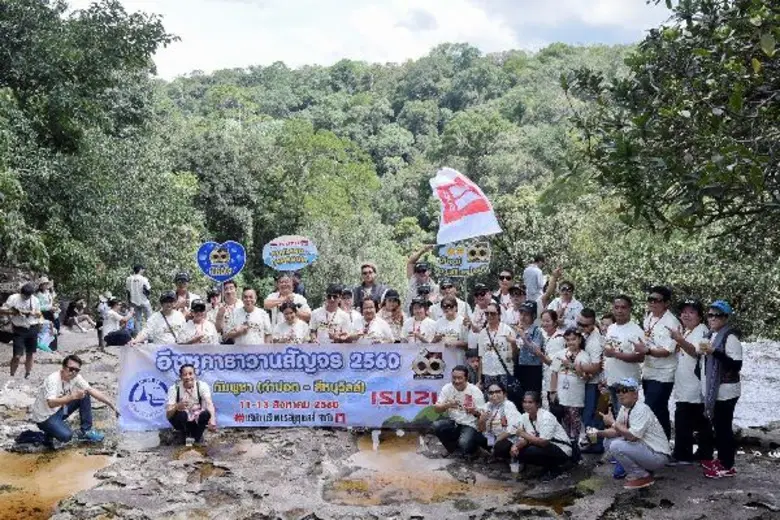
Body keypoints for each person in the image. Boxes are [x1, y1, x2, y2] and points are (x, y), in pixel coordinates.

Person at [595, 377, 671, 489]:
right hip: (646, 449)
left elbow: (632, 437)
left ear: (635, 394)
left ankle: (642, 476)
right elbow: (617, 431)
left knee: (616, 445)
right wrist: (597, 433)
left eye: (625, 390)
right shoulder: (624, 409)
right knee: (608, 441)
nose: (620, 394)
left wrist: (612, 422)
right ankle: (638, 468)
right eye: (618, 391)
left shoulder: (641, 409)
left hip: (657, 455)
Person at [31, 355, 118, 447]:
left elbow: (91, 390)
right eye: (71, 369)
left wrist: (111, 404)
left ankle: (86, 430)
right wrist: (72, 396)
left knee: (85, 394)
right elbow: (51, 403)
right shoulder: (53, 380)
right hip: (45, 418)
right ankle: (50, 432)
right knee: (67, 436)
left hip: (59, 409)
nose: (73, 372)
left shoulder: (76, 377)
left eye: (77, 370)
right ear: (64, 367)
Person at [699, 300, 742, 479]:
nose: (713, 318)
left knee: (723, 428)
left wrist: (714, 352)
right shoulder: (710, 335)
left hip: (726, 391)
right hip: (715, 390)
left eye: (717, 315)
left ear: (725, 317)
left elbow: (736, 365)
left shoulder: (730, 337)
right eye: (710, 315)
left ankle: (727, 465)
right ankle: (723, 459)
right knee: (719, 426)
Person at [667, 299, 713, 465]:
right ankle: (704, 453)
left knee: (683, 420)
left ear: (700, 317)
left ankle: (682, 455)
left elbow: (695, 352)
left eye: (691, 312)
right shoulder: (688, 331)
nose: (686, 315)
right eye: (684, 312)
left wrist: (679, 339)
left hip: (694, 386)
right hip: (685, 385)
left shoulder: (702, 332)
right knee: (700, 422)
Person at [637, 286, 681, 440]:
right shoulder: (648, 317)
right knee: (660, 410)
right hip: (648, 370)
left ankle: (652, 443)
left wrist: (647, 351)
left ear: (666, 303)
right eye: (650, 299)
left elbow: (668, 351)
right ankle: (664, 443)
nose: (653, 303)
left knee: (650, 407)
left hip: (664, 373)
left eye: (657, 300)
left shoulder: (671, 322)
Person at [511, 391, 572, 480]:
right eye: (524, 402)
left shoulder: (546, 417)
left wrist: (523, 434)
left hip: (561, 449)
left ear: (538, 404)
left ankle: (556, 468)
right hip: (544, 447)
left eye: (530, 402)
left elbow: (543, 442)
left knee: (531, 450)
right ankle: (547, 467)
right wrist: (515, 446)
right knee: (519, 452)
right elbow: (526, 438)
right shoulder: (524, 416)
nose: (526, 405)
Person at [602, 295, 645, 414]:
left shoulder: (636, 330)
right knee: (616, 415)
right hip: (611, 380)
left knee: (627, 417)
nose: (619, 311)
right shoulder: (611, 328)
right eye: (616, 307)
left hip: (627, 382)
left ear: (630, 309)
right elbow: (608, 351)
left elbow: (640, 357)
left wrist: (615, 354)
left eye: (623, 307)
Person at [433, 365, 486, 457]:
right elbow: (436, 409)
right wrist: (448, 405)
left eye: (460, 378)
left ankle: (474, 450)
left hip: (470, 424)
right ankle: (452, 449)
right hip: (454, 422)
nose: (456, 381)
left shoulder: (475, 391)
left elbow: (483, 415)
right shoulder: (447, 388)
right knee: (436, 426)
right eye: (454, 378)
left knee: (464, 443)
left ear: (466, 378)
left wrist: (474, 411)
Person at [550, 329, 591, 443]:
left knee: (575, 421)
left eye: (573, 339)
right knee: (564, 422)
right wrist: (553, 392)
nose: (571, 342)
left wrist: (571, 366)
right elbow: (554, 373)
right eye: (568, 340)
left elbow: (586, 377)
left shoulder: (584, 356)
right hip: (561, 395)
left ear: (579, 339)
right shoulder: (560, 354)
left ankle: (576, 446)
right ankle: (566, 444)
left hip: (575, 396)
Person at [577, 308, 606, 454]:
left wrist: (575, 365)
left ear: (593, 323)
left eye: (586, 325)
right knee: (589, 415)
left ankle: (597, 445)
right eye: (579, 324)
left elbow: (595, 367)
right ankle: (594, 443)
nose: (582, 328)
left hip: (595, 384)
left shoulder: (595, 341)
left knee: (592, 416)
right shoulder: (586, 334)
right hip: (588, 382)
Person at [166, 363, 217, 445]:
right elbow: (168, 414)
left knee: (206, 414)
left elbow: (209, 403)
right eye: (185, 375)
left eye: (190, 374)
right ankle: (184, 437)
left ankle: (196, 439)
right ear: (180, 377)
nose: (188, 377)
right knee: (182, 414)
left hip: (195, 419)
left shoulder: (202, 386)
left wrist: (212, 420)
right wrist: (177, 406)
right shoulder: (174, 389)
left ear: (195, 375)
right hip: (181, 421)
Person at [1, 282, 43, 378]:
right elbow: (3, 310)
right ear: (21, 293)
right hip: (19, 329)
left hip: (32, 328)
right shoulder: (13, 298)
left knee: (30, 353)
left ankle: (27, 374)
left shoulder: (35, 300)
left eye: (29, 296)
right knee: (17, 356)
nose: (27, 298)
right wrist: (14, 312)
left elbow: (39, 313)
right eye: (25, 296)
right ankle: (11, 375)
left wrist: (35, 315)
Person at [477, 302, 517, 394]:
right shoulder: (483, 333)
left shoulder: (507, 330)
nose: (489, 316)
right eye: (487, 313)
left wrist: (513, 343)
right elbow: (481, 357)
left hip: (504, 372)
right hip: (488, 373)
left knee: (504, 400)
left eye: (493, 313)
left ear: (499, 314)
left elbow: (515, 355)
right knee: (490, 400)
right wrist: (480, 379)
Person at [477, 382, 522, 461]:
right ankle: (494, 453)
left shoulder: (509, 405)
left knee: (500, 447)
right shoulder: (487, 406)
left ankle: (510, 457)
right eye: (491, 393)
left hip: (507, 437)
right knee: (475, 436)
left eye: (498, 392)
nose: (494, 395)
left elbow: (512, 429)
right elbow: (482, 429)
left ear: (504, 394)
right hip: (492, 435)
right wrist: (481, 420)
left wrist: (496, 441)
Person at [514, 301, 546, 396]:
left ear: (534, 316)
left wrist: (524, 337)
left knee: (532, 396)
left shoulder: (537, 331)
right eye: (521, 314)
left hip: (533, 368)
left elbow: (536, 351)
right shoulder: (518, 330)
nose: (523, 317)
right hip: (519, 366)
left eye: (527, 314)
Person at [432, 296, 469, 364]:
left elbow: (467, 343)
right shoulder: (438, 323)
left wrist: (454, 343)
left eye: (450, 306)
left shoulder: (463, 321)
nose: (448, 308)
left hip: (459, 359)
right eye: (445, 306)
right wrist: (436, 339)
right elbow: (433, 342)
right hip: (443, 360)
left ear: (456, 307)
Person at [540, 309, 565, 396]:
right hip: (547, 379)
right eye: (543, 321)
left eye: (548, 321)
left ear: (555, 322)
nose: (545, 324)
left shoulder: (558, 338)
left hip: (556, 381)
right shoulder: (545, 335)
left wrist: (539, 354)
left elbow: (554, 363)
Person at [126, 264, 152, 335]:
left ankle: (138, 336)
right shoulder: (144, 279)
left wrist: (129, 302)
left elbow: (128, 291)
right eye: (143, 269)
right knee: (150, 319)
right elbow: (148, 290)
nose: (144, 270)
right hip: (144, 301)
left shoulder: (129, 279)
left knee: (138, 320)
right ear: (140, 269)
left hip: (134, 301)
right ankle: (150, 336)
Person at [465, 283, 491, 351]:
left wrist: (473, 326)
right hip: (474, 348)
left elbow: (492, 332)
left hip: (488, 348)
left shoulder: (495, 308)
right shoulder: (477, 308)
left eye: (482, 293)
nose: (479, 296)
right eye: (476, 294)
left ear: (489, 293)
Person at [36, 277, 60, 350]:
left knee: (55, 328)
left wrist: (54, 306)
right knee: (47, 330)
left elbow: (52, 302)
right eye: (45, 284)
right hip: (45, 314)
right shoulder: (38, 295)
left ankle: (54, 347)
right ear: (41, 285)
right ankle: (48, 347)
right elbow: (38, 307)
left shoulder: (49, 293)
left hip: (52, 313)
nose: (46, 285)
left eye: (47, 284)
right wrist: (49, 308)